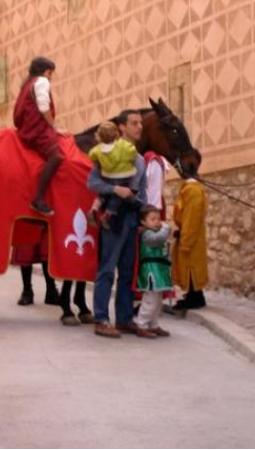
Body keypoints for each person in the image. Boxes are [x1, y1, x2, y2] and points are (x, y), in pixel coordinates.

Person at [87, 109, 147, 338]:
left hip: (132, 217)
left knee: (126, 271)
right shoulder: (107, 154)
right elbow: (92, 183)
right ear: (121, 127)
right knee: (107, 269)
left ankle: (124, 319)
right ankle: (101, 318)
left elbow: (139, 191)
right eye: (134, 123)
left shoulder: (138, 158)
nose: (139, 127)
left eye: (140, 123)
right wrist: (115, 189)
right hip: (114, 219)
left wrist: (143, 216)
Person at [13, 57, 64, 216]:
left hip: (26, 128)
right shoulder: (41, 81)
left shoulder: (27, 84)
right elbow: (43, 107)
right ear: (44, 71)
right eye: (50, 73)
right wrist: (54, 126)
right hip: (37, 130)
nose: (50, 77)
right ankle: (39, 198)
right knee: (56, 157)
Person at [87, 121, 138, 229]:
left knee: (102, 195)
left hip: (107, 176)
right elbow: (132, 151)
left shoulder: (98, 150)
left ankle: (94, 208)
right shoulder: (123, 146)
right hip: (122, 176)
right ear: (117, 132)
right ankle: (107, 215)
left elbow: (91, 155)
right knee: (117, 196)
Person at [172, 165, 208, 310]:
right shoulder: (190, 189)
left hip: (191, 236)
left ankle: (196, 297)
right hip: (189, 233)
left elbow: (191, 218)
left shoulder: (192, 191)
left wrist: (186, 240)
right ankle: (193, 294)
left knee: (191, 266)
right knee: (189, 265)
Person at [134, 205, 172, 338]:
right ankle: (141, 324)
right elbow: (159, 239)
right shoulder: (147, 234)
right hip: (151, 271)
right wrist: (166, 228)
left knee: (158, 301)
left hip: (159, 270)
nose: (157, 221)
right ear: (143, 222)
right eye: (153, 219)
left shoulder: (155, 233)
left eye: (158, 218)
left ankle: (153, 324)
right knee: (150, 300)